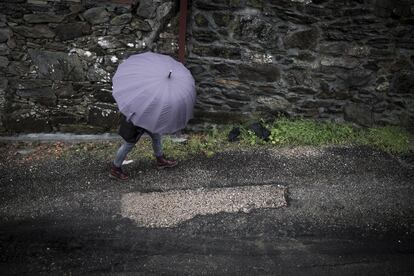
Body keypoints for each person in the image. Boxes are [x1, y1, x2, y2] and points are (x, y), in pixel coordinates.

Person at [110, 114, 178, 180]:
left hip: (147, 119)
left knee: (156, 135)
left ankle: (160, 160)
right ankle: (115, 169)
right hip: (135, 122)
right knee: (128, 145)